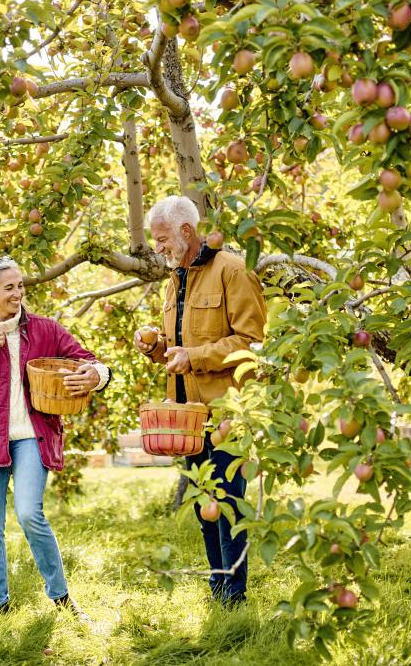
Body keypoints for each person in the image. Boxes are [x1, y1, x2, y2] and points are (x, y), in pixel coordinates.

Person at [0, 256, 110, 616]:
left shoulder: (44, 329)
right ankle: (0, 605)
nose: (18, 293)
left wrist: (97, 375)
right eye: (9, 287)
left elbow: (88, 360)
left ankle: (61, 597)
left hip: (32, 437)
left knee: (29, 514)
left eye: (20, 285)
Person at [133, 195, 267, 606]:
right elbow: (178, 349)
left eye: (162, 239)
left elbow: (252, 343)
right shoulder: (175, 280)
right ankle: (218, 587)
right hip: (189, 416)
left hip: (227, 412)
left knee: (227, 502)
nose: (157, 247)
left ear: (187, 231)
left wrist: (195, 356)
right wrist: (156, 347)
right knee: (204, 505)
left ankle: (235, 596)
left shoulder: (232, 270)